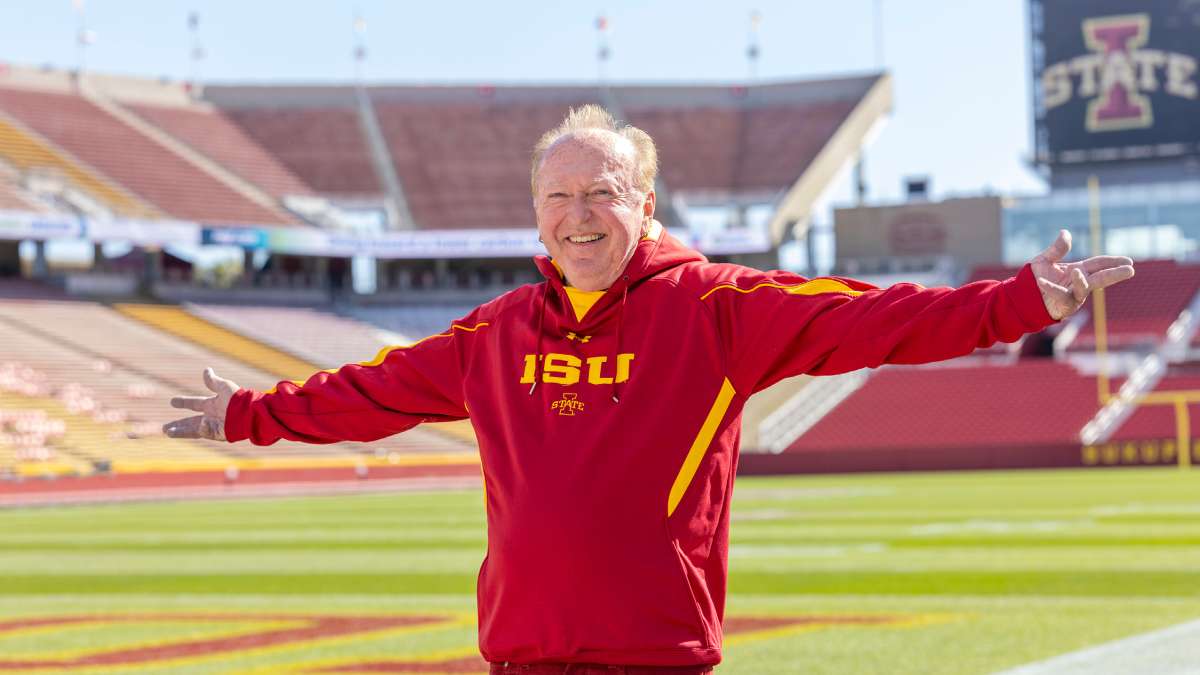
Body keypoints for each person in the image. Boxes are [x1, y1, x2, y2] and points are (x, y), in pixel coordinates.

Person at [164, 105, 1135, 673]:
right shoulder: (491, 334)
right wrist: (249, 415)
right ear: (536, 216)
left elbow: (875, 320)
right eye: (561, 197)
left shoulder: (717, 309)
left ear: (645, 203)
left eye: (602, 193)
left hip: (654, 663)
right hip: (524, 658)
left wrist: (1015, 304)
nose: (580, 216)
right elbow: (363, 394)